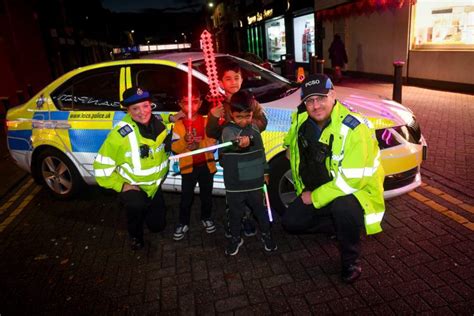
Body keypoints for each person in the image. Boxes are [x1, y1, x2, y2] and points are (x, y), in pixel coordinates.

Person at [281, 74, 385, 283]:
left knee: (343, 209)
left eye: (321, 98)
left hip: (352, 191)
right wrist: (288, 147)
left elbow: (351, 181)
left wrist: (315, 196)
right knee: (290, 223)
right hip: (322, 186)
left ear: (333, 95)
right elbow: (292, 137)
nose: (315, 105)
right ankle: (338, 226)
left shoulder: (354, 129)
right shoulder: (302, 117)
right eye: (310, 100)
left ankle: (351, 260)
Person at [93, 86, 173, 251]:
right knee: (136, 206)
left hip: (154, 186)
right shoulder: (119, 136)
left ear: (151, 105)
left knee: (158, 227)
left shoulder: (158, 123)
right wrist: (122, 186)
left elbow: (164, 120)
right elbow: (100, 168)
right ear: (128, 111)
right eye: (135, 108)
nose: (142, 112)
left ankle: (145, 208)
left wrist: (174, 117)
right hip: (134, 186)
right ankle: (135, 235)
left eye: (145, 106)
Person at [206, 60, 268, 238]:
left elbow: (263, 122)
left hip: (249, 156)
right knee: (233, 192)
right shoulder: (218, 105)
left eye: (236, 78)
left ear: (241, 80)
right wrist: (212, 117)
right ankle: (233, 219)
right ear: (220, 83)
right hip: (231, 157)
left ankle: (247, 218)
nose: (233, 82)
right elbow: (212, 132)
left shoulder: (250, 101)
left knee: (250, 189)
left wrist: (244, 128)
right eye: (228, 79)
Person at [220, 90, 277, 256]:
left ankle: (266, 235)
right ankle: (235, 238)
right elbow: (229, 142)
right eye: (239, 117)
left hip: (255, 181)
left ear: (253, 113)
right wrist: (239, 143)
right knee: (235, 214)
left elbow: (261, 152)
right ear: (232, 114)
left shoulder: (254, 129)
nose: (244, 121)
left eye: (248, 116)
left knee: (261, 210)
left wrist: (265, 171)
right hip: (234, 183)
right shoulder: (227, 130)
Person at [171, 86, 217, 241]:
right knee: (186, 198)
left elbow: (212, 143)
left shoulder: (206, 122)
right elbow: (174, 147)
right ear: (180, 104)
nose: (191, 106)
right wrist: (184, 141)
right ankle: (183, 222)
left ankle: (206, 217)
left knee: (206, 196)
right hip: (188, 168)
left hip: (206, 165)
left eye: (195, 102)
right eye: (186, 103)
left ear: (201, 102)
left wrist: (199, 144)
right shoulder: (178, 125)